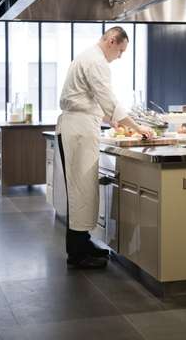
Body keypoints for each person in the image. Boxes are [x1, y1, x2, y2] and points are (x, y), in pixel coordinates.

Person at [57, 26, 152, 269]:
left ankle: (82, 243)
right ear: (111, 40)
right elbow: (110, 101)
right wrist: (138, 127)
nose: (119, 56)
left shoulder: (88, 57)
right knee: (80, 189)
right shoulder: (96, 62)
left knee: (83, 188)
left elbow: (97, 101)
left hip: (78, 126)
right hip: (78, 129)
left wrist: (110, 118)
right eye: (120, 50)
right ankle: (77, 254)